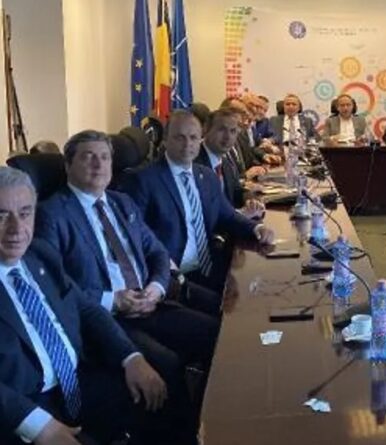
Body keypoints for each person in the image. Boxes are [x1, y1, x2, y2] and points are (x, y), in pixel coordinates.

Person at [34, 130, 219, 435]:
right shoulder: (52, 214)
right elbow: (55, 286)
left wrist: (156, 288)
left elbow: (157, 252)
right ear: (68, 165)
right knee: (167, 364)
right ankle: (180, 435)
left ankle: (214, 421)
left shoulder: (122, 203)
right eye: (88, 157)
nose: (99, 164)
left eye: (105, 157)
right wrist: (113, 299)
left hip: (150, 303)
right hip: (105, 319)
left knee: (215, 334)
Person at [0, 166, 191, 445]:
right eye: (2, 215)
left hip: (78, 380)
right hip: (23, 405)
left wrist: (131, 357)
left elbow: (86, 308)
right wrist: (36, 424)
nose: (17, 229)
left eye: (25, 213)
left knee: (164, 396)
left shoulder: (40, 254)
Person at [122, 110, 275, 296]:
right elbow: (136, 236)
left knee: (261, 287)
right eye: (180, 137)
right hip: (175, 276)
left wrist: (256, 228)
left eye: (193, 138)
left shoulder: (206, 175)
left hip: (210, 266)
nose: (188, 144)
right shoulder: (143, 180)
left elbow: (227, 215)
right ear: (165, 140)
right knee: (234, 306)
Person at [196, 108, 267, 217]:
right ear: (205, 129)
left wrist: (251, 200)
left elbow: (237, 191)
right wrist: (240, 214)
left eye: (233, 131)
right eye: (222, 130)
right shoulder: (194, 162)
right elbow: (205, 212)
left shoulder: (224, 162)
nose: (228, 137)